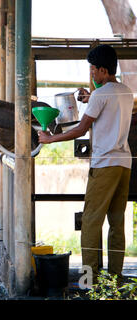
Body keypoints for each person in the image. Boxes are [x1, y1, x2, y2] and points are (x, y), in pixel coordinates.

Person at [38, 44, 134, 285]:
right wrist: (89, 97)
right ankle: (115, 277)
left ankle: (89, 281)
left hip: (104, 164)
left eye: (93, 70)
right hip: (124, 164)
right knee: (116, 222)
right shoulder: (125, 91)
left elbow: (80, 128)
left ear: (103, 70)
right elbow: (105, 101)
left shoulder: (101, 95)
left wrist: (50, 139)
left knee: (91, 220)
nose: (91, 74)